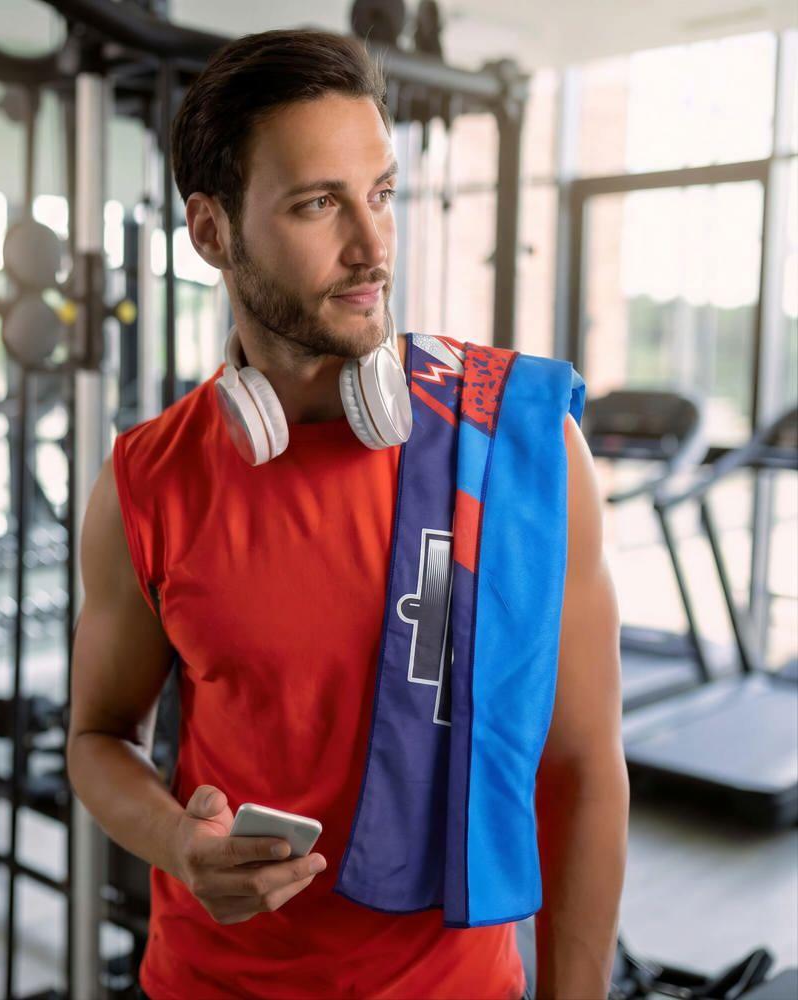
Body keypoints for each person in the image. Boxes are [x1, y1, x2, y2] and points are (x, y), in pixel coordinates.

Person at [67, 28, 628, 1000]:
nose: (372, 249)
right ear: (211, 232)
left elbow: (579, 770)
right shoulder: (145, 480)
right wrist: (178, 844)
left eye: (382, 193)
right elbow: (97, 738)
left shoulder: (521, 447)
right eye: (319, 203)